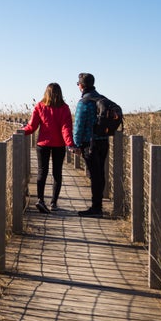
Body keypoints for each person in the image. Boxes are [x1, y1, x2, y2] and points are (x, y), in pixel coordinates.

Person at [22, 83, 75, 213]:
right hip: (59, 145)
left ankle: (40, 200)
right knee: (57, 173)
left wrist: (20, 131)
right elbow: (66, 128)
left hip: (42, 144)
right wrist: (70, 143)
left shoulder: (40, 106)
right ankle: (54, 203)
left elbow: (32, 127)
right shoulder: (65, 108)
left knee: (42, 172)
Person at [72, 72, 109, 217]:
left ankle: (96, 208)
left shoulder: (84, 102)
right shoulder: (102, 99)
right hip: (103, 141)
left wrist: (76, 144)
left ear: (81, 86)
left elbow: (79, 125)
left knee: (95, 175)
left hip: (90, 144)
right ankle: (98, 206)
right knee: (100, 174)